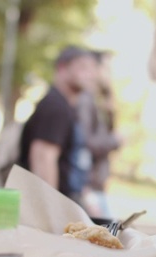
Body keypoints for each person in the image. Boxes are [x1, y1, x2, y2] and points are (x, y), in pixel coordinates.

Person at [17, 45, 98, 205]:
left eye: (92, 69)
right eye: (82, 67)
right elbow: (43, 159)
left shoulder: (66, 107)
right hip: (56, 205)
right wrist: (51, 208)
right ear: (62, 68)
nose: (89, 74)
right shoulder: (55, 106)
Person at [77, 50, 121, 217]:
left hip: (96, 185)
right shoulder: (85, 100)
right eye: (107, 68)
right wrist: (115, 140)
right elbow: (86, 142)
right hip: (89, 186)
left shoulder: (99, 100)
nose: (111, 74)